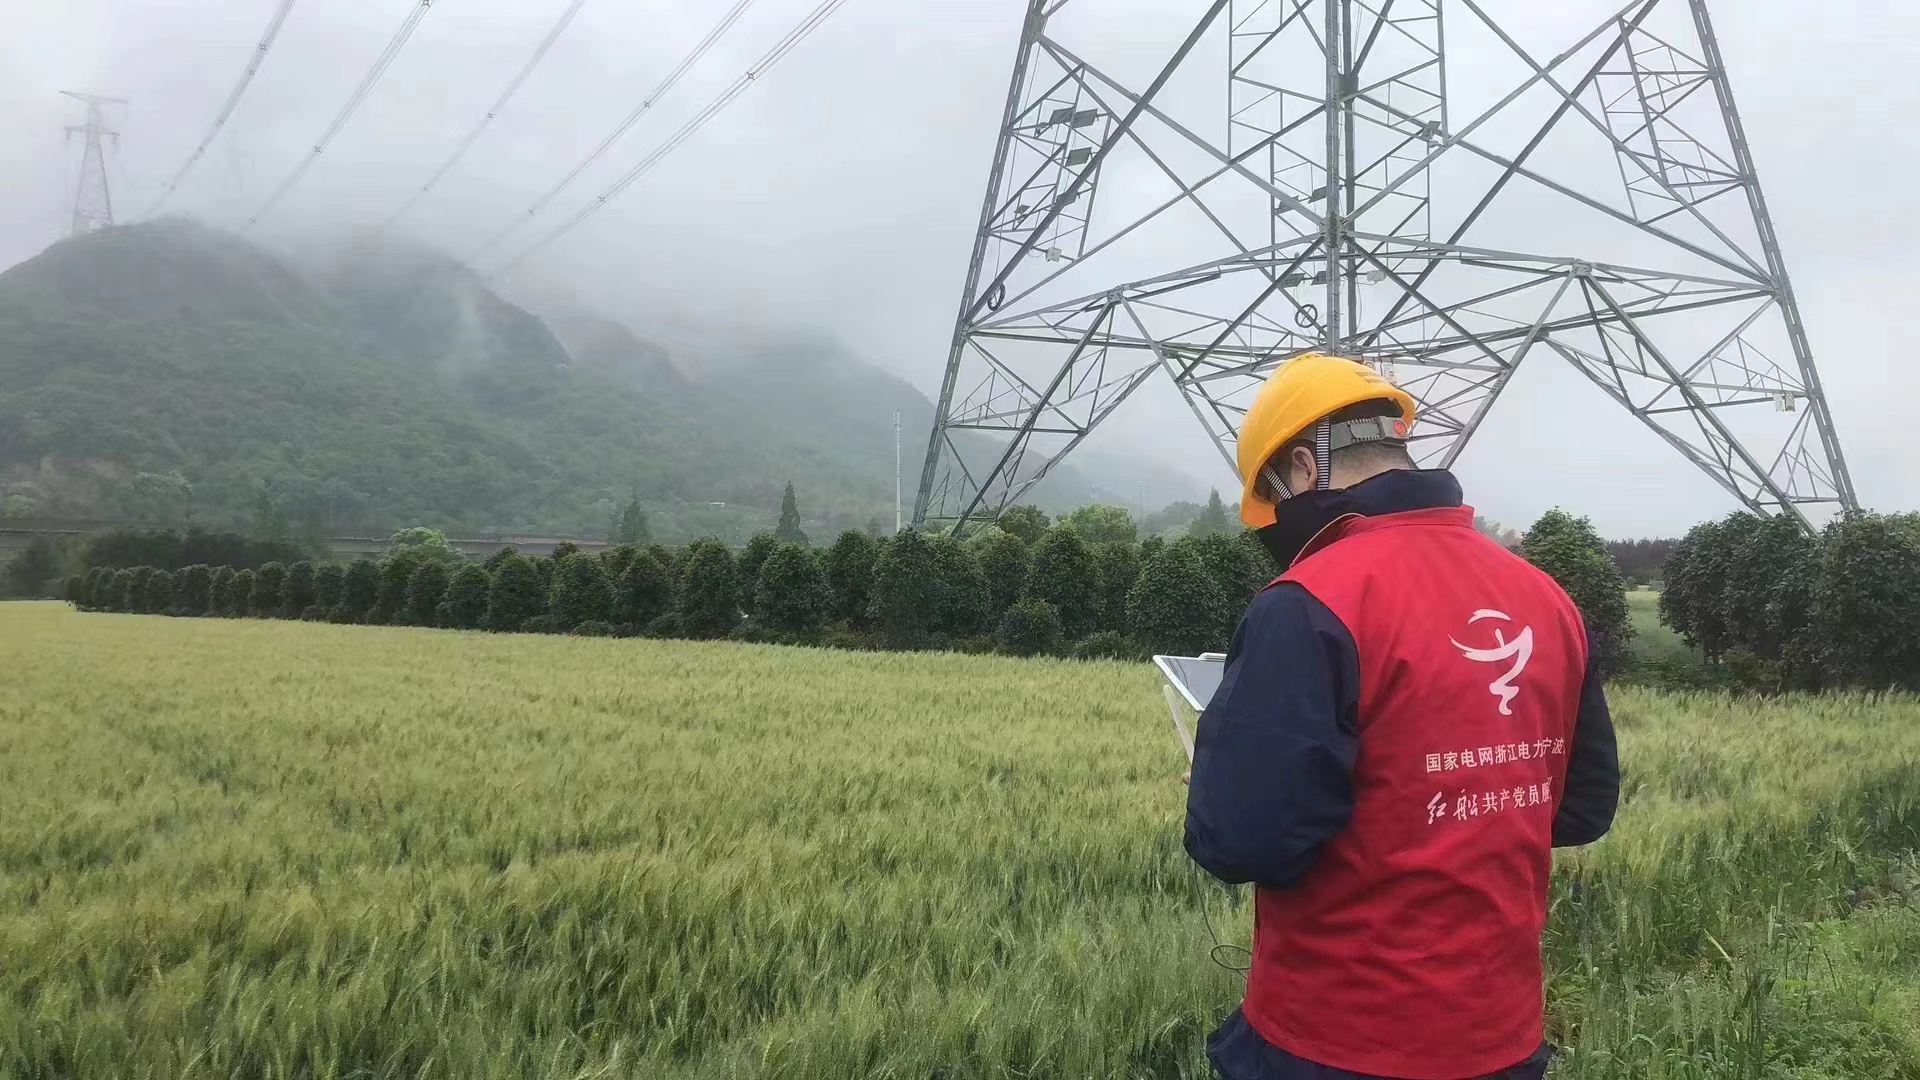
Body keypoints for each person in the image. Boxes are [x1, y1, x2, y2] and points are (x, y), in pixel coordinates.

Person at [1183, 353, 1620, 1080]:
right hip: (1504, 1038)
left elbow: (1243, 841)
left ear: (1303, 468)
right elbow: (1580, 810)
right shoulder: (1547, 598)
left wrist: (1223, 780)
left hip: (1333, 1041)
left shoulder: (1309, 600)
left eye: (1275, 500)